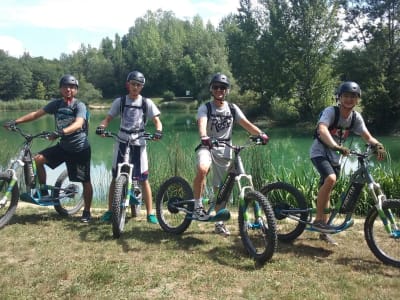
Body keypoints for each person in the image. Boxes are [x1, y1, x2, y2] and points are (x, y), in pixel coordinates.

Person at [3, 74, 93, 223]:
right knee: (37, 160)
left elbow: (78, 123)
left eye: (72, 87)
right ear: (60, 89)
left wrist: (60, 132)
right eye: (65, 86)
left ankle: (87, 211)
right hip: (63, 146)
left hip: (79, 149)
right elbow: (36, 114)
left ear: (76, 90)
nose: (68, 89)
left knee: (85, 180)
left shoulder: (79, 105)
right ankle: (44, 190)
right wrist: (16, 122)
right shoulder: (56, 104)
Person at [193, 73, 269, 236]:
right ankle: (197, 206)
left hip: (226, 149)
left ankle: (219, 223)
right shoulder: (205, 107)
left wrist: (261, 134)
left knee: (222, 189)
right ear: (211, 89)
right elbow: (202, 123)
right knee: (202, 168)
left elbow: (246, 124)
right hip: (208, 145)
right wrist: (204, 137)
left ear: (227, 90)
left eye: (223, 87)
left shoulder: (232, 108)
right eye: (216, 87)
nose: (219, 90)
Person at [310, 81, 385, 245]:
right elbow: (322, 129)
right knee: (330, 179)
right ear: (339, 97)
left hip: (336, 156)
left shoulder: (356, 117)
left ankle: (324, 230)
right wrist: (335, 146)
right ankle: (318, 220)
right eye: (345, 96)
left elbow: (367, 136)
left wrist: (377, 145)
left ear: (358, 99)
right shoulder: (331, 112)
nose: (349, 99)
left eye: (353, 96)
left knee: (328, 186)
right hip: (320, 152)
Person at [96, 70, 162, 224]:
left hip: (139, 142)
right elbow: (108, 119)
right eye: (133, 84)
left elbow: (157, 121)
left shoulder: (147, 103)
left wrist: (158, 131)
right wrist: (101, 127)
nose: (135, 87)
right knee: (115, 178)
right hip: (121, 140)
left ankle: (150, 213)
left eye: (138, 85)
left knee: (144, 179)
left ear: (142, 87)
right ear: (128, 85)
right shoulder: (120, 101)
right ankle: (110, 211)